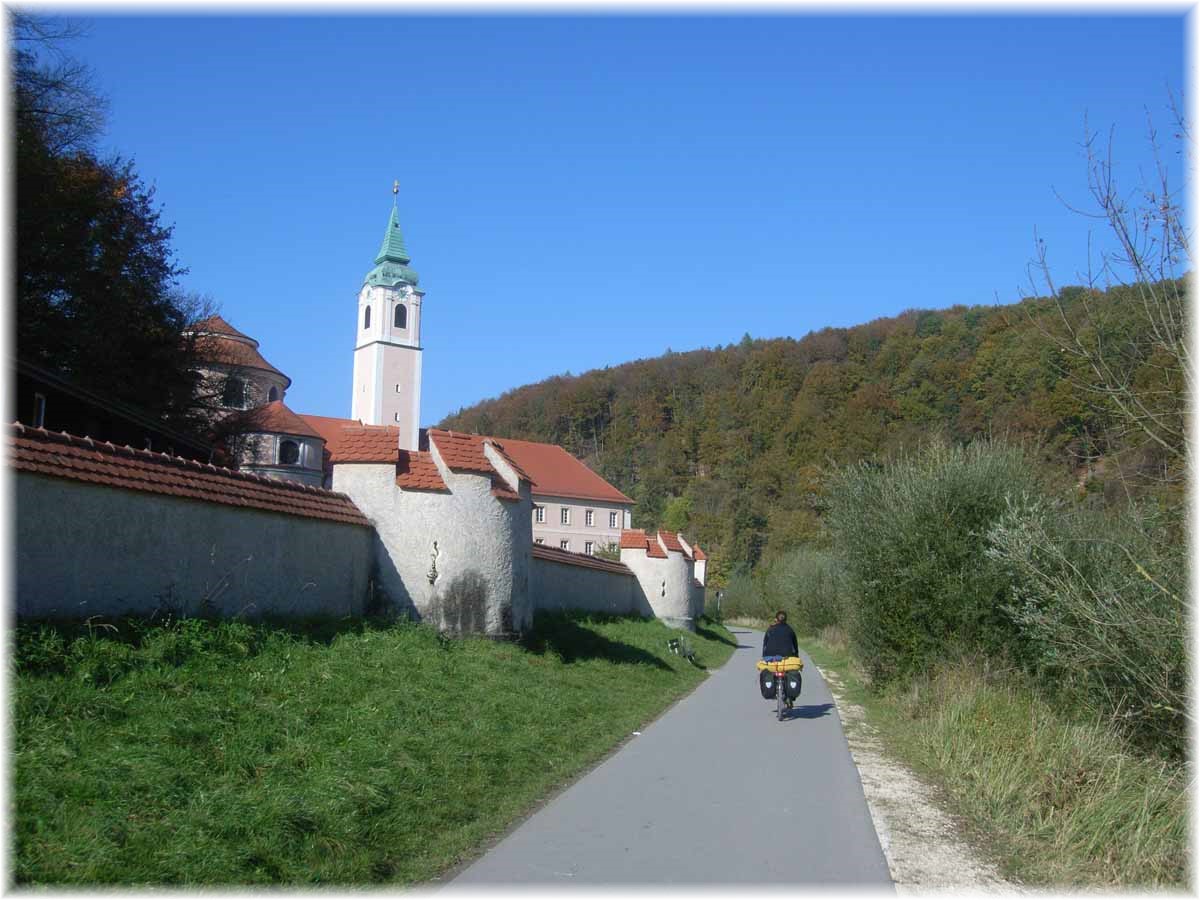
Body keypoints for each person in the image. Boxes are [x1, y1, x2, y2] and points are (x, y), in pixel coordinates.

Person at [762, 611, 799, 709]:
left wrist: (764, 656)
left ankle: (773, 690)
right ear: (786, 619)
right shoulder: (790, 630)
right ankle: (789, 696)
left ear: (776, 619)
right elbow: (795, 645)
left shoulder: (770, 629)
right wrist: (796, 656)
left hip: (770, 656)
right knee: (789, 671)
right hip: (786, 655)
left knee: (771, 671)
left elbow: (765, 643)